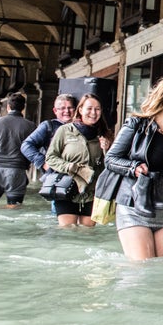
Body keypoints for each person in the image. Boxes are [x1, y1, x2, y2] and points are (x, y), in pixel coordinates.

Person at [105, 77, 163, 260]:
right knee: (142, 269)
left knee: (160, 274)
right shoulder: (136, 126)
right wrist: (133, 167)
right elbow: (111, 159)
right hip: (135, 208)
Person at [43, 93, 112, 227]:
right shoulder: (65, 130)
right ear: (80, 110)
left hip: (92, 193)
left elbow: (109, 168)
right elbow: (50, 158)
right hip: (66, 189)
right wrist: (70, 167)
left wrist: (107, 150)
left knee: (87, 234)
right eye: (89, 108)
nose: (93, 112)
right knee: (68, 233)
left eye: (97, 109)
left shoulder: (105, 135)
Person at [19, 94, 77, 179]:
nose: (67, 111)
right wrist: (43, 163)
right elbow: (26, 146)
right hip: (55, 177)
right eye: (62, 108)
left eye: (70, 108)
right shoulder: (48, 126)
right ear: (55, 111)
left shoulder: (80, 127)